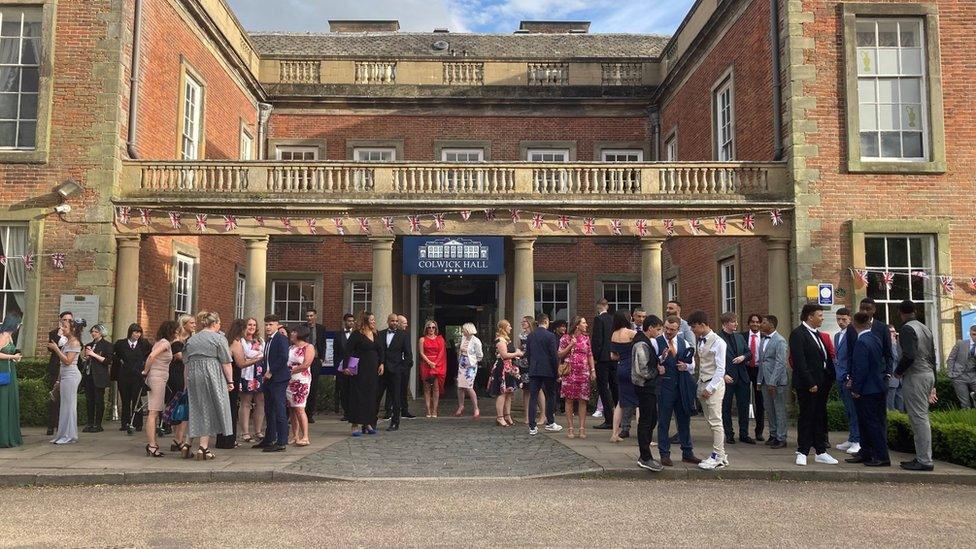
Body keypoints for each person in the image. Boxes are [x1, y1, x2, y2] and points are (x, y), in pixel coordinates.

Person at [789, 303, 838, 466]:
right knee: (807, 416)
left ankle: (821, 450)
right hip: (807, 385)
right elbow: (799, 361)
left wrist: (830, 377)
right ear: (810, 317)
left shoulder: (818, 334)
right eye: (820, 315)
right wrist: (810, 382)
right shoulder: (798, 334)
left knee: (819, 417)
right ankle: (802, 451)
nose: (822, 318)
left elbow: (824, 357)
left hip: (822, 382)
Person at [183, 311, 234, 460]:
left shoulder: (192, 339)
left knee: (196, 408)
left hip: (193, 374)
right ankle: (203, 448)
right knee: (209, 408)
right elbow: (226, 362)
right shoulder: (219, 338)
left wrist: (186, 383)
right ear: (214, 323)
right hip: (211, 373)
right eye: (219, 323)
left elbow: (186, 363)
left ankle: (187, 444)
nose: (220, 326)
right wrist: (230, 381)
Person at [895, 300, 938, 471]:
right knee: (921, 417)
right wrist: (934, 382)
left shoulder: (907, 329)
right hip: (927, 374)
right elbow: (932, 356)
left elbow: (910, 355)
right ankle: (923, 457)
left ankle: (924, 460)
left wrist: (898, 371)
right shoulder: (925, 328)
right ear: (915, 310)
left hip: (916, 375)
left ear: (901, 312)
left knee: (918, 418)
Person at [846, 312, 890, 467]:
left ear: (854, 324)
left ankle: (881, 456)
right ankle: (866, 452)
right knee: (867, 422)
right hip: (878, 386)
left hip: (867, 389)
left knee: (871, 423)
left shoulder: (861, 342)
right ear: (869, 324)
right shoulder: (875, 338)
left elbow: (860, 368)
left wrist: (855, 388)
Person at [655, 316, 699, 466]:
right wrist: (659, 363)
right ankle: (664, 454)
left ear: (678, 329)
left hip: (681, 386)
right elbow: (650, 362)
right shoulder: (656, 342)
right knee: (664, 421)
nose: (668, 331)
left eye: (672, 330)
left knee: (684, 420)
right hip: (664, 386)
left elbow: (692, 364)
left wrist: (686, 367)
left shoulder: (684, 342)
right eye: (666, 328)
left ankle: (687, 452)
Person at [688, 311, 728, 470]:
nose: (692, 330)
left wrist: (710, 388)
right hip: (703, 383)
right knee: (711, 422)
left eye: (693, 327)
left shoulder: (719, 342)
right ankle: (721, 454)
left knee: (716, 421)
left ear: (702, 325)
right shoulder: (700, 341)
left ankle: (718, 455)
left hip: (714, 385)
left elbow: (721, 369)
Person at [632, 315, 665, 472]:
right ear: (650, 327)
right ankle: (645, 456)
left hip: (647, 385)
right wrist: (657, 371)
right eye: (658, 329)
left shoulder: (644, 342)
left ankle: (645, 455)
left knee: (651, 419)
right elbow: (643, 369)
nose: (659, 332)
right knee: (647, 420)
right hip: (645, 386)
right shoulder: (641, 344)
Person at [142, 321, 177, 457]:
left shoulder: (160, 342)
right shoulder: (165, 343)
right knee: (153, 412)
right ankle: (152, 445)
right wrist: (145, 371)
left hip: (158, 377)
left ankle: (153, 444)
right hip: (157, 378)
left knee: (154, 411)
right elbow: (151, 356)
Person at [254, 315, 290, 452]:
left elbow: (283, 358)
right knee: (269, 409)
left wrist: (271, 371)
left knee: (279, 410)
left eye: (270, 324)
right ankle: (269, 439)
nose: (268, 327)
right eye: (266, 324)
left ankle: (281, 441)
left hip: (279, 378)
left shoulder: (281, 339)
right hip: (268, 379)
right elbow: (267, 358)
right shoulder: (269, 340)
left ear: (277, 325)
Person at [346, 311, 383, 436]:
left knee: (371, 396)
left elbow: (380, 350)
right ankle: (355, 424)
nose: (374, 321)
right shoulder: (357, 335)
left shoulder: (375, 334)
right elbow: (348, 351)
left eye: (374, 319)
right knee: (358, 396)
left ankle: (368, 423)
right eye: (371, 320)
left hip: (372, 370)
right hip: (360, 370)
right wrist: (346, 367)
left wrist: (382, 363)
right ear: (366, 321)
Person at [718, 313, 753, 445]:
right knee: (725, 407)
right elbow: (715, 360)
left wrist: (743, 357)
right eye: (733, 322)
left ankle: (744, 434)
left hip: (742, 376)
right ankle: (729, 434)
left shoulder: (739, 337)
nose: (736, 324)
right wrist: (723, 375)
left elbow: (749, 353)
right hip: (727, 377)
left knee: (743, 406)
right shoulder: (718, 338)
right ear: (726, 323)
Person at [48, 318, 84, 444]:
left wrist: (56, 349)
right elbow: (61, 365)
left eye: (65, 327)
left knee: (69, 406)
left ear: (73, 329)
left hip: (71, 376)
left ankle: (69, 435)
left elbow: (68, 361)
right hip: (65, 376)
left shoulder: (75, 343)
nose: (62, 329)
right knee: (64, 406)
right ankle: (62, 434)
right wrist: (58, 380)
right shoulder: (68, 342)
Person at [525, 313, 562, 436]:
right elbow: (554, 355)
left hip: (534, 370)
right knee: (551, 395)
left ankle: (532, 426)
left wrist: (532, 366)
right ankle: (550, 422)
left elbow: (528, 354)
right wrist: (557, 370)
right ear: (546, 321)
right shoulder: (550, 336)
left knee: (533, 397)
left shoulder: (530, 336)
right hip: (548, 370)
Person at [559, 316, 595, 439]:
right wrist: (570, 345)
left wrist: (593, 370)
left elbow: (590, 355)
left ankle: (581, 428)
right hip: (569, 372)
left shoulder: (586, 338)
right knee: (569, 400)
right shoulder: (565, 338)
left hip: (583, 372)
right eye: (584, 323)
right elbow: (559, 354)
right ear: (577, 325)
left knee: (583, 399)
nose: (586, 325)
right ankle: (570, 428)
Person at [230, 317, 264, 443]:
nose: (252, 327)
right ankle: (245, 432)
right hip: (247, 372)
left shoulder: (260, 340)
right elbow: (248, 354)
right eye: (249, 325)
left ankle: (258, 431)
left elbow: (266, 351)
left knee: (260, 401)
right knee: (246, 401)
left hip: (260, 372)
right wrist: (260, 354)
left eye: (254, 325)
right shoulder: (241, 340)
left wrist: (260, 354)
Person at [832, 308, 860, 455]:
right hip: (840, 376)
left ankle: (857, 440)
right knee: (848, 410)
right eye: (838, 319)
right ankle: (851, 437)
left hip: (848, 377)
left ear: (850, 319)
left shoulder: (852, 333)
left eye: (843, 319)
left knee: (854, 410)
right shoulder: (837, 336)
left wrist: (851, 377)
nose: (840, 322)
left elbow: (854, 357)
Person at [758, 315, 789, 449]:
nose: (760, 324)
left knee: (779, 409)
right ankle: (773, 434)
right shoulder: (763, 339)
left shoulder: (780, 341)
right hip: (765, 380)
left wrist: (773, 382)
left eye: (763, 322)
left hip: (776, 382)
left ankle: (781, 437)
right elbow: (762, 362)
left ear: (771, 324)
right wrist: (760, 381)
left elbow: (780, 363)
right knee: (769, 409)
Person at [113, 323, 151, 432]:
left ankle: (137, 423)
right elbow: (115, 356)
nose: (137, 335)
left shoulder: (144, 344)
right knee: (125, 400)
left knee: (136, 399)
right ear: (131, 332)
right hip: (124, 376)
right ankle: (125, 423)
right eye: (135, 332)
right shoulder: (121, 343)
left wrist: (144, 369)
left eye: (139, 332)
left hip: (137, 376)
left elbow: (149, 355)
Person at [379, 313, 414, 431]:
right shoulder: (381, 333)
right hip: (382, 370)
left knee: (396, 397)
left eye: (396, 321)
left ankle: (395, 422)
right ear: (388, 321)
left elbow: (408, 354)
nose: (394, 323)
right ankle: (371, 421)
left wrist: (403, 369)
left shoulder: (403, 335)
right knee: (376, 396)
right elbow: (379, 351)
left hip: (396, 370)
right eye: (392, 321)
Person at [167, 314, 195, 453]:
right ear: (184, 324)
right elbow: (180, 357)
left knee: (185, 407)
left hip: (188, 373)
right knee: (181, 405)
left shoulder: (192, 340)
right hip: (177, 375)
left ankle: (179, 439)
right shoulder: (176, 341)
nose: (194, 325)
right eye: (191, 323)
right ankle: (178, 439)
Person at [608, 311, 637, 443]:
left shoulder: (614, 334)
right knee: (639, 403)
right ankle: (644, 436)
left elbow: (613, 356)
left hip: (620, 368)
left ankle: (614, 434)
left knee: (621, 402)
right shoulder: (631, 333)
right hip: (632, 368)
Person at [488, 319, 522, 426]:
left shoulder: (507, 339)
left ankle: (507, 415)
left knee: (509, 393)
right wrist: (516, 353)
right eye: (509, 326)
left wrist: (516, 354)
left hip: (509, 368)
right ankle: (500, 417)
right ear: (503, 328)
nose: (511, 328)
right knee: (502, 393)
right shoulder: (500, 340)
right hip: (502, 368)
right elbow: (504, 355)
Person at [286, 325, 315, 446]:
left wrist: (290, 371)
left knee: (300, 407)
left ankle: (305, 436)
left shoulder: (308, 347)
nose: (291, 334)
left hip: (301, 380)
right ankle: (295, 435)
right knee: (292, 408)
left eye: (293, 332)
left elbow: (306, 364)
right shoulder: (290, 348)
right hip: (289, 381)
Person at [81, 324, 112, 433]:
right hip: (89, 375)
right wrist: (86, 357)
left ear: (101, 333)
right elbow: (85, 360)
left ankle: (98, 424)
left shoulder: (107, 345)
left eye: (96, 332)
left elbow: (108, 361)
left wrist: (93, 354)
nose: (94, 334)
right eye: (92, 332)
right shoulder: (89, 345)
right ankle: (89, 423)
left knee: (99, 400)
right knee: (89, 400)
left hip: (99, 376)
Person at [45, 311, 72, 436]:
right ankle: (51, 425)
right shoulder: (53, 333)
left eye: (69, 320)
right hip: (55, 368)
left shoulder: (73, 333)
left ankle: (63, 426)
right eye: (65, 319)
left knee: (66, 398)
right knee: (54, 397)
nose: (67, 322)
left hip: (68, 368)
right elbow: (50, 348)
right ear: (60, 320)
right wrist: (58, 335)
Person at [591, 299, 616, 430]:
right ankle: (620, 418)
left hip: (602, 359)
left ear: (598, 307)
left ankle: (609, 419)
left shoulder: (598, 320)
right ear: (607, 306)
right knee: (615, 388)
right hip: (613, 357)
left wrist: (595, 357)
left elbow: (597, 340)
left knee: (603, 389)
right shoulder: (613, 319)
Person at [0, 315, 24, 448]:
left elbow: (11, 352)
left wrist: (15, 358)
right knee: (3, 401)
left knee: (10, 401)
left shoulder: (9, 336)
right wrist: (11, 356)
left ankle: (10, 434)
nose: (19, 326)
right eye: (18, 324)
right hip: (2, 371)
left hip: (10, 370)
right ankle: (3, 436)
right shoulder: (2, 336)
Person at [743, 313, 766, 441]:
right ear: (749, 323)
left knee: (760, 401)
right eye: (752, 322)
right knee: (744, 400)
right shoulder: (742, 337)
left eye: (757, 322)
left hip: (759, 370)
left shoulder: (764, 337)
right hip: (746, 369)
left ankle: (759, 431)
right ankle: (744, 431)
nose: (755, 324)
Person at [518, 315, 545, 426]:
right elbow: (520, 347)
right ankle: (527, 416)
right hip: (523, 363)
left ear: (529, 323)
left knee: (538, 389)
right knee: (526, 390)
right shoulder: (521, 335)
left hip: (534, 363)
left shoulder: (534, 334)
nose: (523, 323)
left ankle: (543, 415)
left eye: (525, 321)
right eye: (522, 321)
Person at [454, 322, 483, 420]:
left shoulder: (476, 341)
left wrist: (473, 362)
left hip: (470, 366)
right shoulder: (463, 338)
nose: (462, 332)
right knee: (460, 386)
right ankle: (461, 406)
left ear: (468, 330)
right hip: (462, 364)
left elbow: (480, 355)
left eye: (464, 330)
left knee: (469, 386)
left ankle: (476, 408)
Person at [418, 320, 446, 418]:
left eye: (433, 327)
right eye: (429, 327)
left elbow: (442, 353)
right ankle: (428, 410)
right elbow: (421, 353)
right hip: (426, 364)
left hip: (437, 364)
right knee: (426, 388)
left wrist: (435, 363)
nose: (431, 329)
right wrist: (429, 362)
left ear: (436, 328)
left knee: (436, 388)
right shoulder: (422, 339)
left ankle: (435, 410)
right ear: (426, 328)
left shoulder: (440, 339)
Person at [304, 309, 326, 423]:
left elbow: (323, 343)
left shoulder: (321, 328)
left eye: (311, 316)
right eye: (307, 316)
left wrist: (322, 358)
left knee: (313, 387)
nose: (309, 318)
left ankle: (310, 413)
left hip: (316, 360)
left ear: (315, 316)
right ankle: (301, 411)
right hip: (303, 360)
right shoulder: (302, 328)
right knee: (303, 386)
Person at [333, 313, 356, 421]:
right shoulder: (338, 335)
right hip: (341, 366)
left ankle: (353, 412)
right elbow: (335, 352)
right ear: (344, 322)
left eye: (352, 321)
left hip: (354, 365)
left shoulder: (356, 334)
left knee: (353, 389)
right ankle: (346, 412)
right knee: (343, 390)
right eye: (349, 321)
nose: (350, 323)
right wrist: (338, 367)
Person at [946, 325, 976, 409]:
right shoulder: (961, 343)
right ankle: (967, 420)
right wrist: (950, 374)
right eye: (974, 334)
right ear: (970, 334)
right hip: (959, 376)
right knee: (965, 403)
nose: (975, 337)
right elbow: (951, 359)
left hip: (973, 376)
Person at [396, 315, 415, 419]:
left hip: (404, 366)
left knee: (404, 389)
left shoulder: (406, 335)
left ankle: (404, 410)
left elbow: (408, 350)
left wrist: (409, 363)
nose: (406, 325)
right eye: (404, 323)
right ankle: (389, 411)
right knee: (392, 390)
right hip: (393, 366)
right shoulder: (389, 334)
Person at [887, 325, 905, 412]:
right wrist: (893, 344)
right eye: (891, 332)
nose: (894, 333)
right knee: (890, 405)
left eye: (894, 331)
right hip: (891, 379)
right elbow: (896, 357)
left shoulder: (898, 344)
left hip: (900, 379)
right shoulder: (888, 345)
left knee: (900, 403)